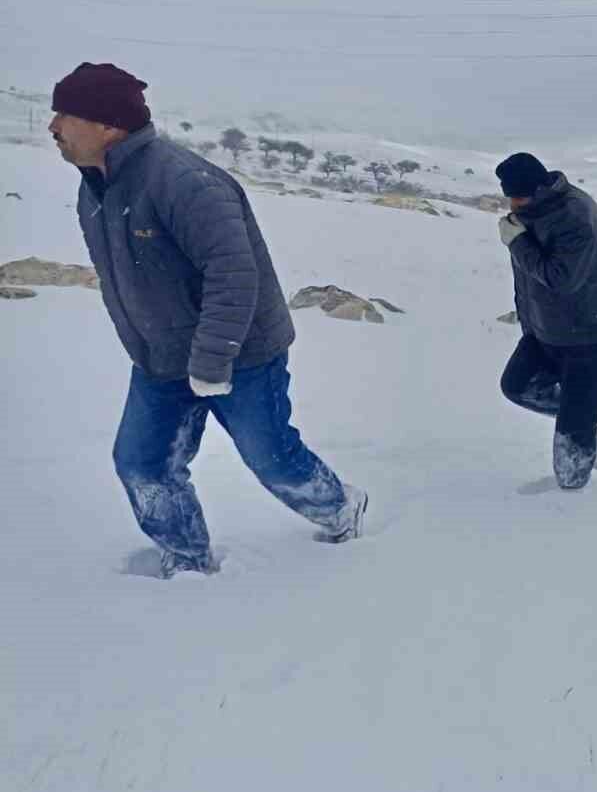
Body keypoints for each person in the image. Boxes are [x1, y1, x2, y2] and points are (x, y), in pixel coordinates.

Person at [49, 63, 366, 577]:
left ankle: (338, 507)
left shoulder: (185, 182)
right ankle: (187, 560)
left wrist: (212, 363)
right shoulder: (96, 188)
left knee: (272, 459)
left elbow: (234, 276)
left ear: (108, 124)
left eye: (66, 113)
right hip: (160, 358)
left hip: (242, 353)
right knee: (142, 464)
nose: (54, 126)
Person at [496, 152, 597, 489]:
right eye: (508, 195)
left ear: (539, 189)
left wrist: (518, 242)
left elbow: (561, 279)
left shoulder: (574, 217)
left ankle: (572, 511)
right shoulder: (534, 211)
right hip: (549, 328)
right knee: (517, 385)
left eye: (518, 196)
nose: (512, 203)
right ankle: (594, 415)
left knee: (569, 459)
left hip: (592, 334)